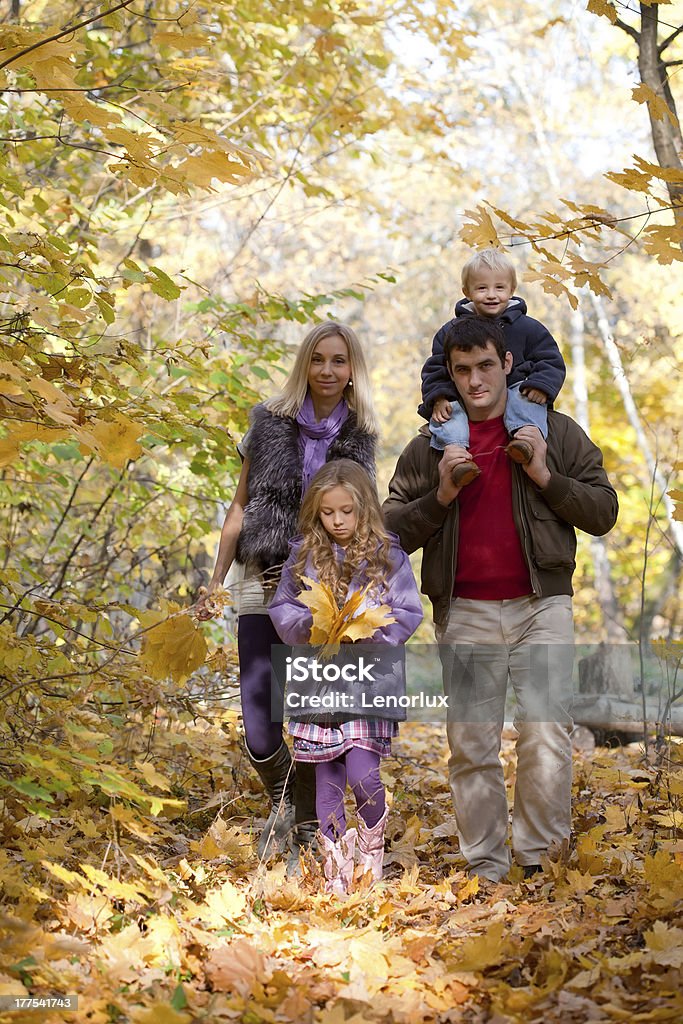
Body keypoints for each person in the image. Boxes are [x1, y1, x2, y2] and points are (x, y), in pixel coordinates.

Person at [384, 316, 618, 882]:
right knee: (471, 743)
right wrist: (440, 495)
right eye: (461, 370)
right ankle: (485, 866)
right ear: (450, 374)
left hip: (542, 605)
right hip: (464, 610)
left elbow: (604, 511)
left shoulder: (554, 432)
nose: (474, 380)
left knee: (544, 731)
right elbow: (389, 530)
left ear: (508, 363)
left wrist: (543, 475)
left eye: (486, 366)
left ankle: (538, 860)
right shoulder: (430, 446)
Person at [195, 322, 378, 871]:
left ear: (351, 369)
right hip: (261, 574)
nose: (327, 370)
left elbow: (364, 518)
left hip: (322, 586)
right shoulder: (268, 423)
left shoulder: (360, 437)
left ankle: (303, 829)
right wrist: (215, 579)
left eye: (339, 361)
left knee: (310, 711)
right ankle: (281, 798)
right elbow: (239, 508)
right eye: (318, 359)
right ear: (305, 364)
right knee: (258, 724)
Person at [269, 460, 423, 893]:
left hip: (368, 681)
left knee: (363, 773)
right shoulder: (302, 556)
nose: (337, 521)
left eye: (346, 511)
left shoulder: (388, 556)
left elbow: (409, 611)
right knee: (327, 777)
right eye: (327, 513)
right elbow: (284, 609)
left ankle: (370, 854)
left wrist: (374, 634)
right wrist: (309, 629)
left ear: (364, 509)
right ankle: (336, 867)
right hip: (317, 681)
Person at [418, 248, 566, 485]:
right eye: (481, 288)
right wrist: (439, 398)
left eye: (499, 287)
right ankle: (458, 459)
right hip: (468, 401)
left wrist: (541, 385)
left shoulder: (528, 328)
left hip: (520, 389)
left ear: (512, 289)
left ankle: (525, 445)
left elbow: (550, 359)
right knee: (449, 416)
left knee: (524, 403)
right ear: (466, 292)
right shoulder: (450, 332)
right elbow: (436, 368)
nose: (491, 295)